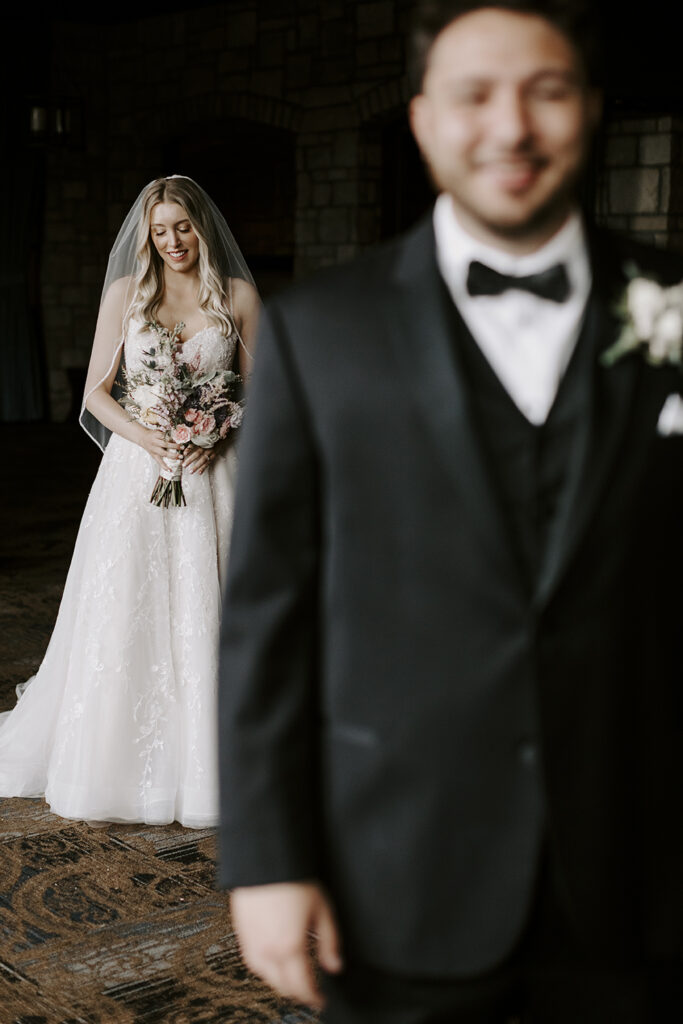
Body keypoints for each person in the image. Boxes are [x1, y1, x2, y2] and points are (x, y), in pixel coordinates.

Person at [218, 2, 683, 1021]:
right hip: (393, 873)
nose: (509, 128)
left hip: (640, 878)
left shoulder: (672, 311)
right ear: (423, 120)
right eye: (473, 95)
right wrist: (265, 859)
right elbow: (265, 621)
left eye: (545, 92)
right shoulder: (317, 332)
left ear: (590, 111)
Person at [0, 175, 260, 828]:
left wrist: (219, 428)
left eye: (183, 227)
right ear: (147, 235)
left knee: (213, 609)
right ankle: (112, 758)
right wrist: (151, 436)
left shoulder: (238, 296)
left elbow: (268, 392)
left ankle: (210, 762)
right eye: (160, 229)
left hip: (207, 475)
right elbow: (95, 392)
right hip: (135, 473)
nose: (173, 241)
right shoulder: (127, 293)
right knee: (125, 609)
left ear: (203, 226)